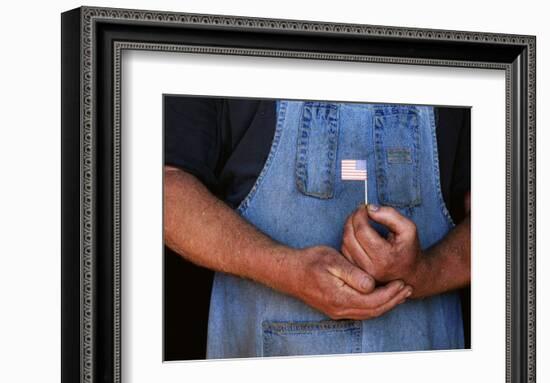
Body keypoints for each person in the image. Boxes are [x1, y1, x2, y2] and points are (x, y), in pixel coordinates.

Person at [164, 97, 470, 359]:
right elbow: (167, 190)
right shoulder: (223, 44)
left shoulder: (458, 56)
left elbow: (509, 218)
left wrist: (425, 272)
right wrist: (283, 269)